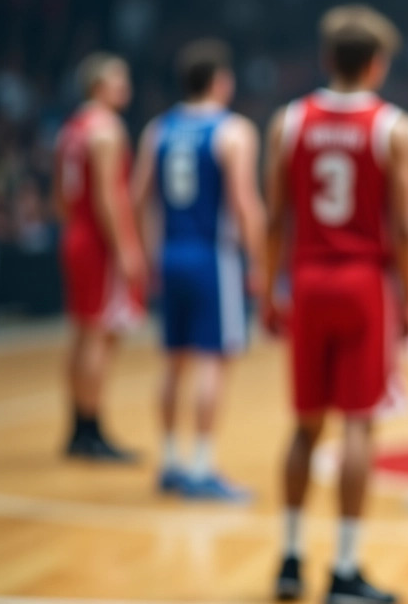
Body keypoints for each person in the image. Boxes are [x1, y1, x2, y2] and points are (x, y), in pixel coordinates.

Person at [263, 5, 406, 604]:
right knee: (357, 426)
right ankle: (345, 567)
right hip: (362, 283)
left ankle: (291, 558)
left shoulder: (289, 121)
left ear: (327, 59)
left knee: (304, 427)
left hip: (308, 281)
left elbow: (277, 218)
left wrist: (269, 287)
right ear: (376, 64)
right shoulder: (392, 126)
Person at [131, 39, 265, 500]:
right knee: (213, 361)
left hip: (171, 253)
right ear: (220, 81)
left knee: (173, 362)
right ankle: (204, 466)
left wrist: (149, 256)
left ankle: (170, 462)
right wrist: (261, 259)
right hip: (214, 257)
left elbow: (139, 197)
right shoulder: (233, 131)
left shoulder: (158, 129)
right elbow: (244, 202)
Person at [54, 53, 146, 461]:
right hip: (98, 240)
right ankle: (91, 431)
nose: (125, 86)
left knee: (81, 332)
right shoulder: (107, 129)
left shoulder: (71, 129)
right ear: (97, 85)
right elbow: (110, 196)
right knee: (99, 334)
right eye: (117, 79)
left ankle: (78, 427)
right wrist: (126, 247)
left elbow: (60, 195)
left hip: (75, 232)